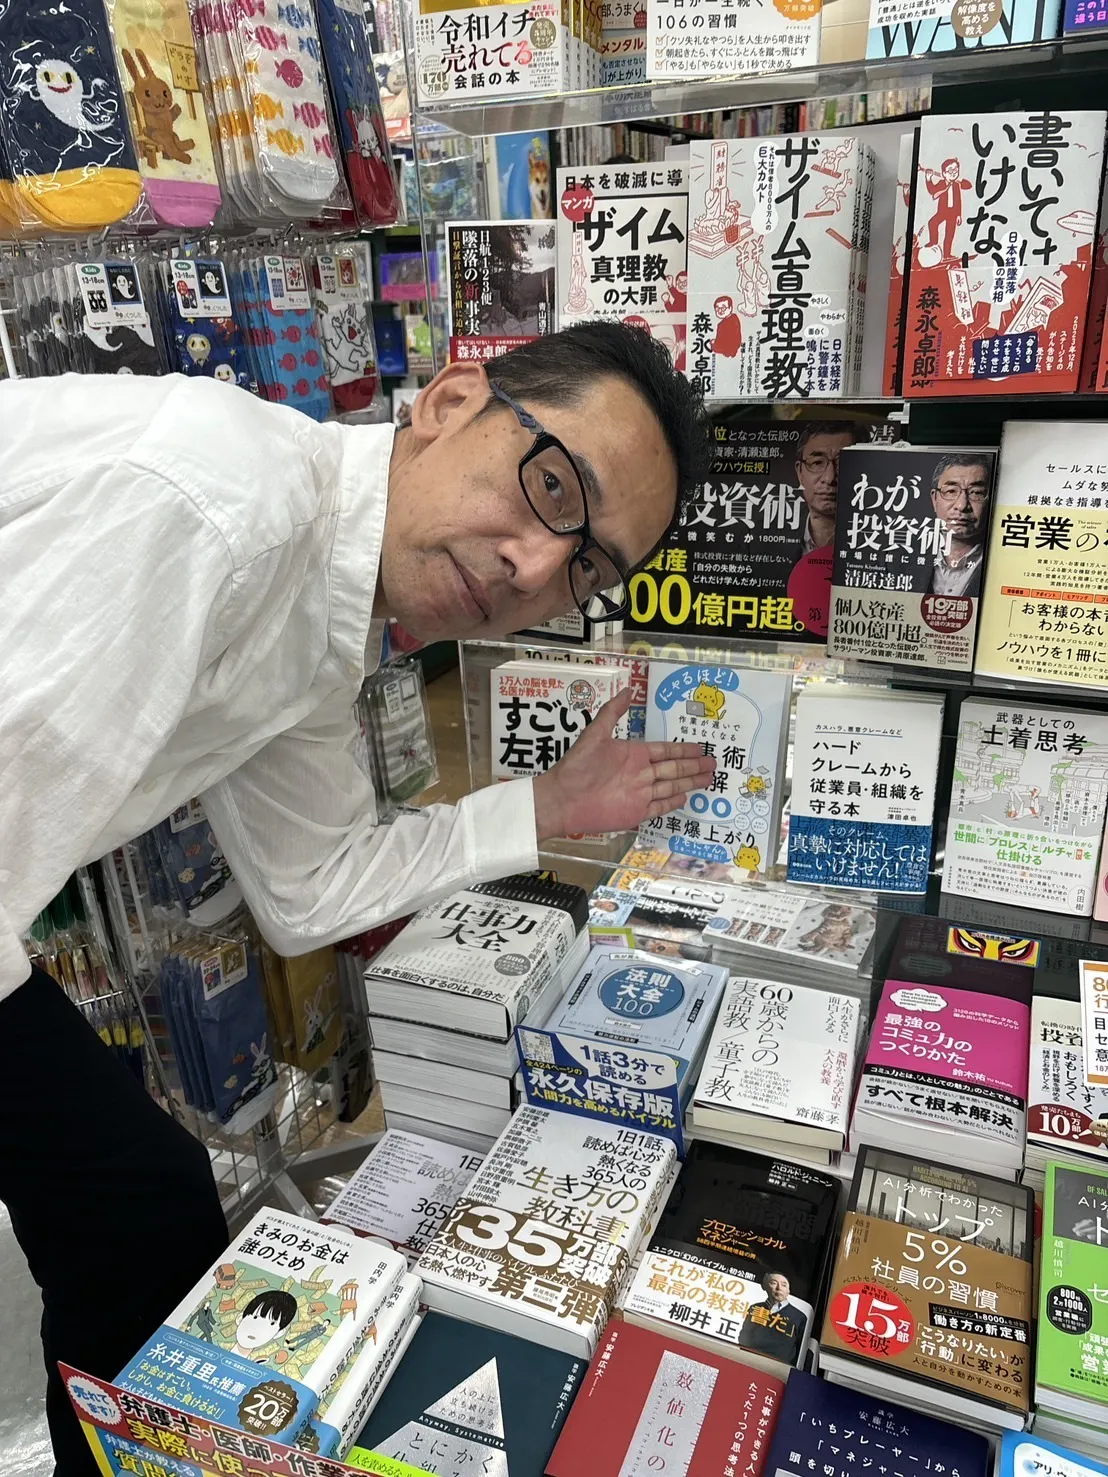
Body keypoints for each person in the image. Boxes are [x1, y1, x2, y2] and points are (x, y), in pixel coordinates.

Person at [0, 321, 715, 1476]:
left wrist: (545, 807)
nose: (535, 567)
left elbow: (309, 884)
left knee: (133, 1199)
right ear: (447, 403)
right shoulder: (222, 508)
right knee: (132, 1198)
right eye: (550, 487)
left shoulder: (319, 611)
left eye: (587, 567)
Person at [926, 453, 993, 597]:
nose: (962, 505)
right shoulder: (897, 555)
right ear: (934, 499)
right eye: (951, 491)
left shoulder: (1006, 562)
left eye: (976, 493)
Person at [738, 1271, 807, 1366]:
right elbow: (744, 1335)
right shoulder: (755, 1308)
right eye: (774, 1283)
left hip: (779, 1368)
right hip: (749, 1361)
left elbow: (801, 1352)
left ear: (788, 1290)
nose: (779, 1288)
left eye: (784, 1285)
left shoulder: (799, 1317)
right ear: (764, 1286)